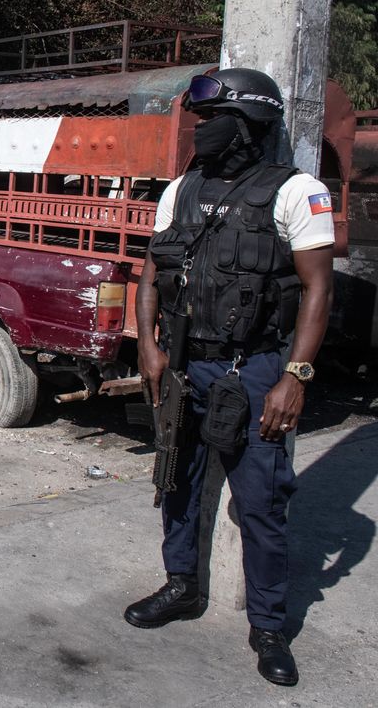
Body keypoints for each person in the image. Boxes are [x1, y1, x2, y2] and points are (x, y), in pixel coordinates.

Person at [129, 68, 335, 687]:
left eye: (212, 118)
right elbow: (149, 276)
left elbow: (319, 289)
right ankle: (181, 585)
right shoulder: (179, 192)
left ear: (247, 124)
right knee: (178, 480)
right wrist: (148, 345)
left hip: (258, 368)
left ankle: (269, 625)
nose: (201, 130)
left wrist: (295, 376)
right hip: (187, 362)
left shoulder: (296, 192)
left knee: (262, 503)